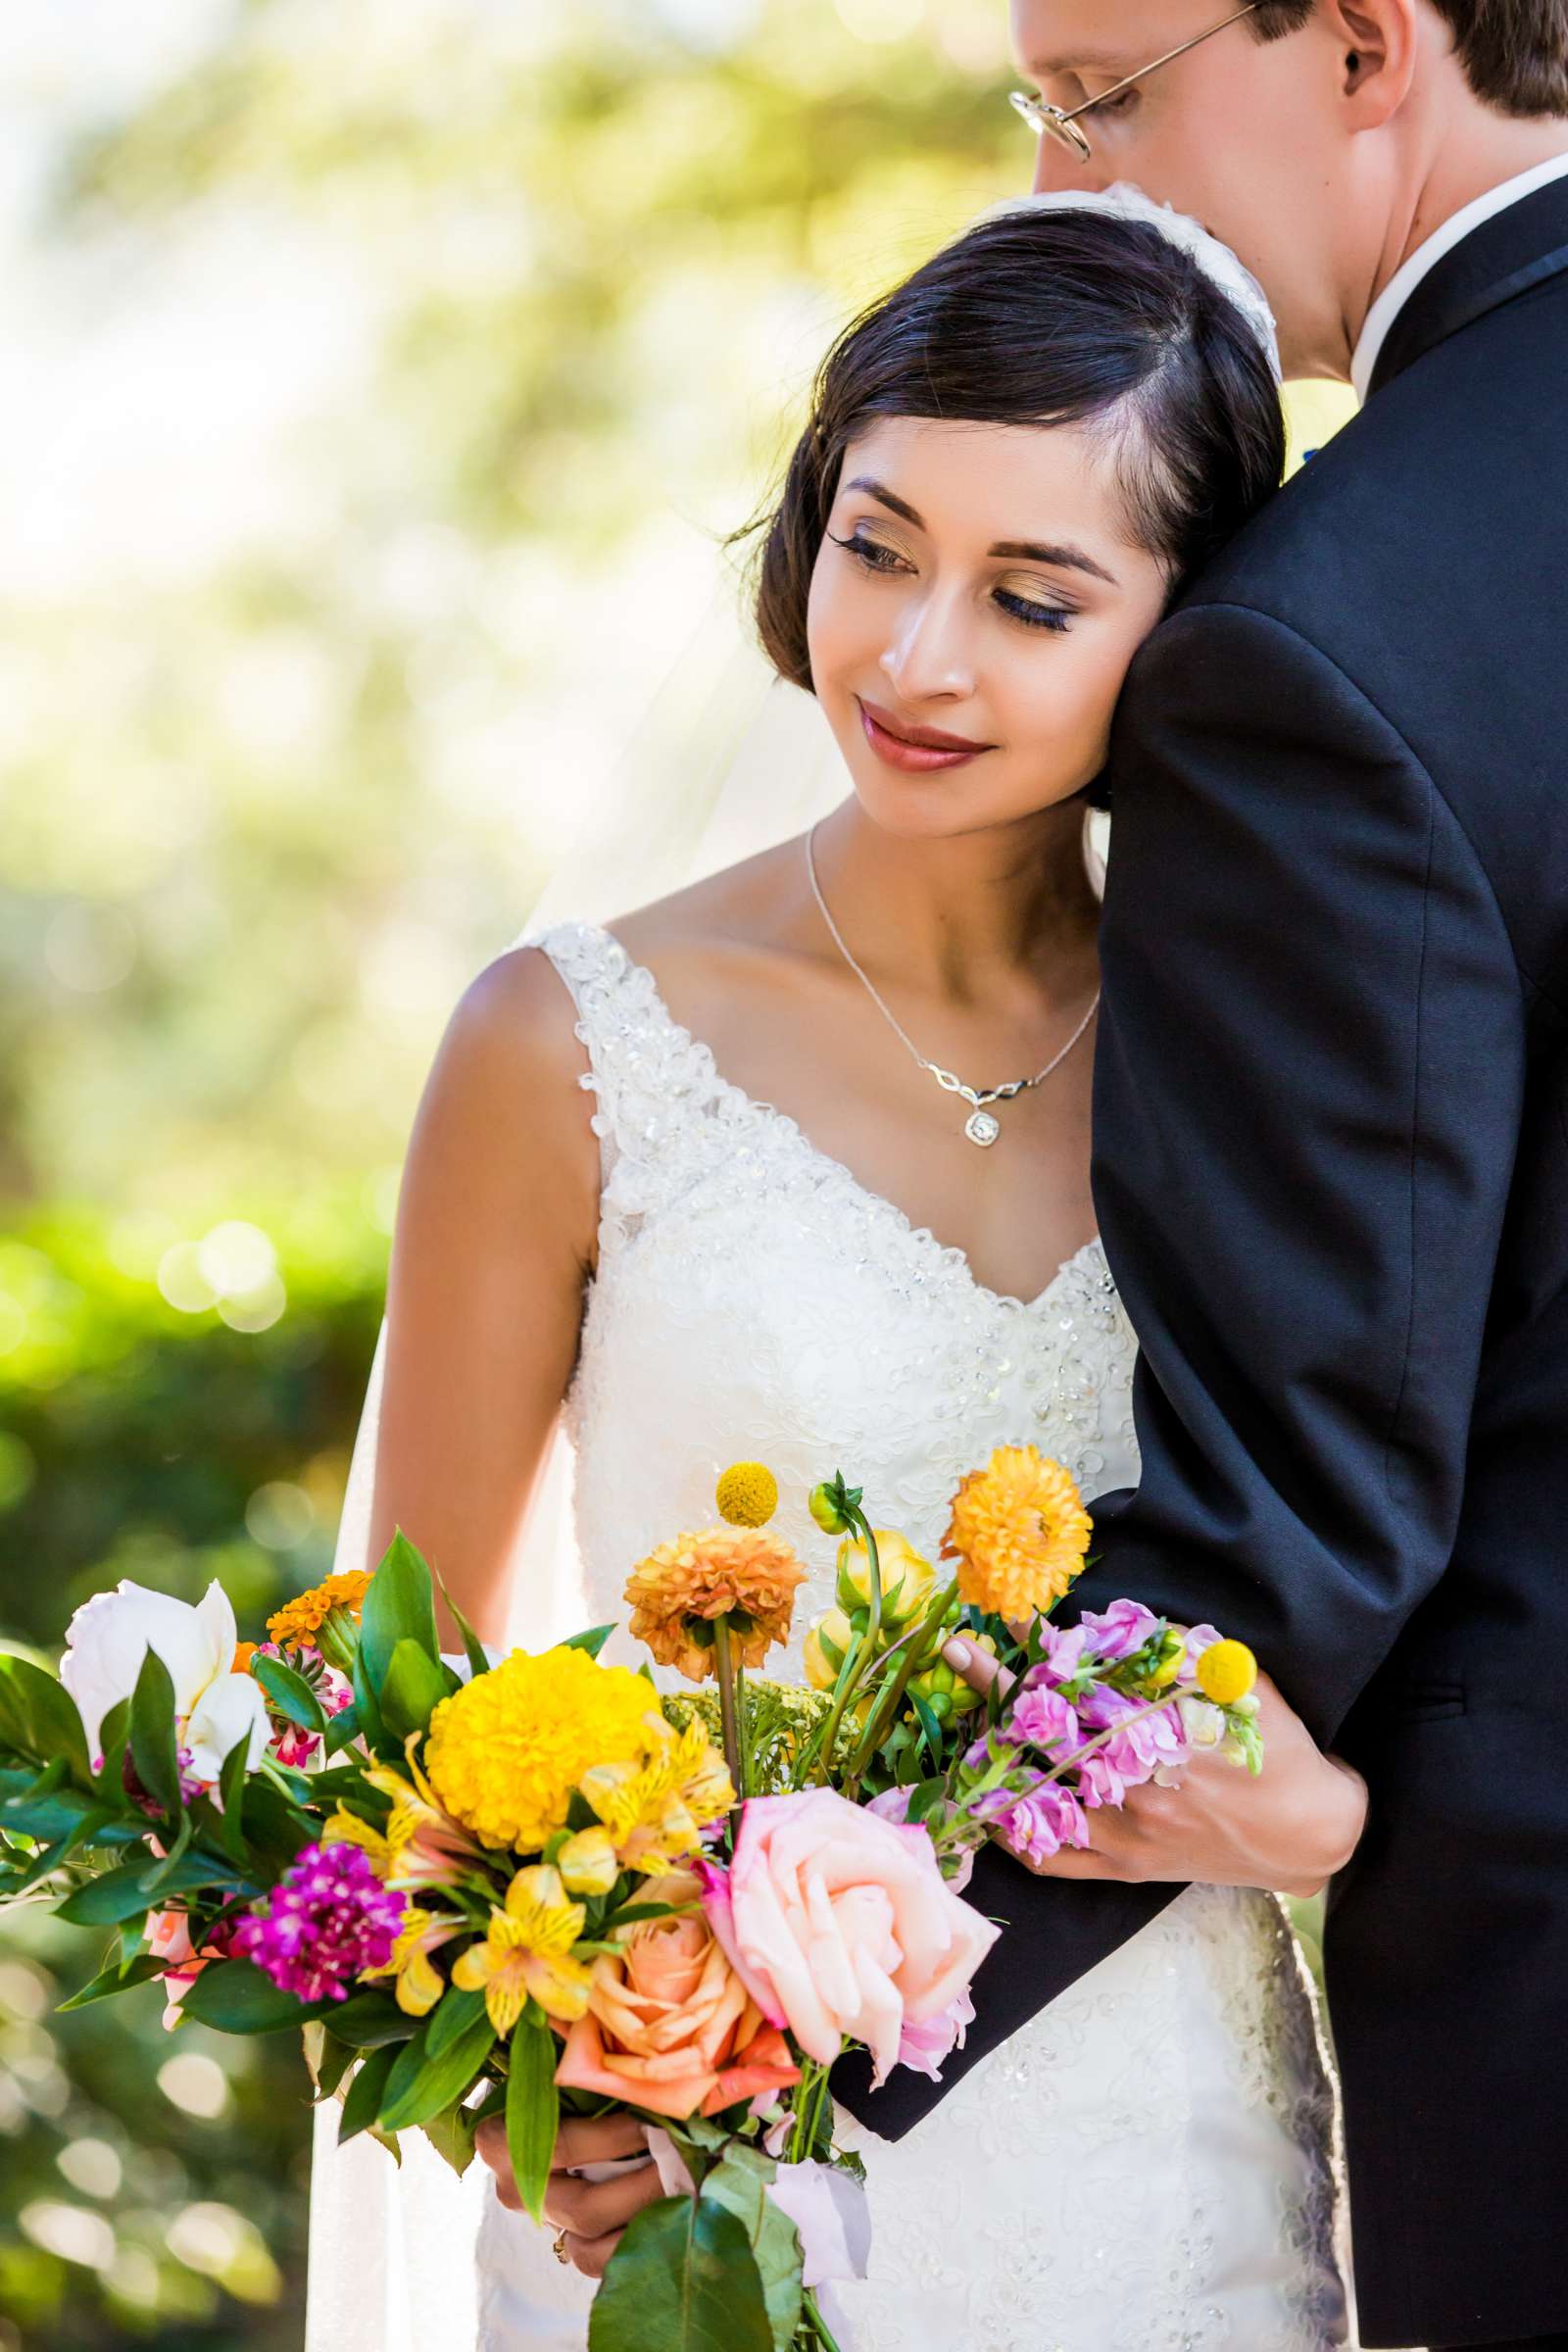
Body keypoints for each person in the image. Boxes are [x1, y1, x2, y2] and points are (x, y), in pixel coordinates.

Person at [313, 197, 1368, 2349]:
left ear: (1188, 627)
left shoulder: (1286, 1060)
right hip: (701, 2191)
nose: (912, 655)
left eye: (1031, 596)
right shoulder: (562, 1043)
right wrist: (524, 2094)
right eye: (873, 544)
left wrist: (1328, 1811)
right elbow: (395, 1709)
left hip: (1180, 2188)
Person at [840, 6, 1568, 2352]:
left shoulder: (1320, 643)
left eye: (1105, 91)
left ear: (1360, 44)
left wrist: (757, 1992)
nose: (1066, 185)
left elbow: (1277, 1533)